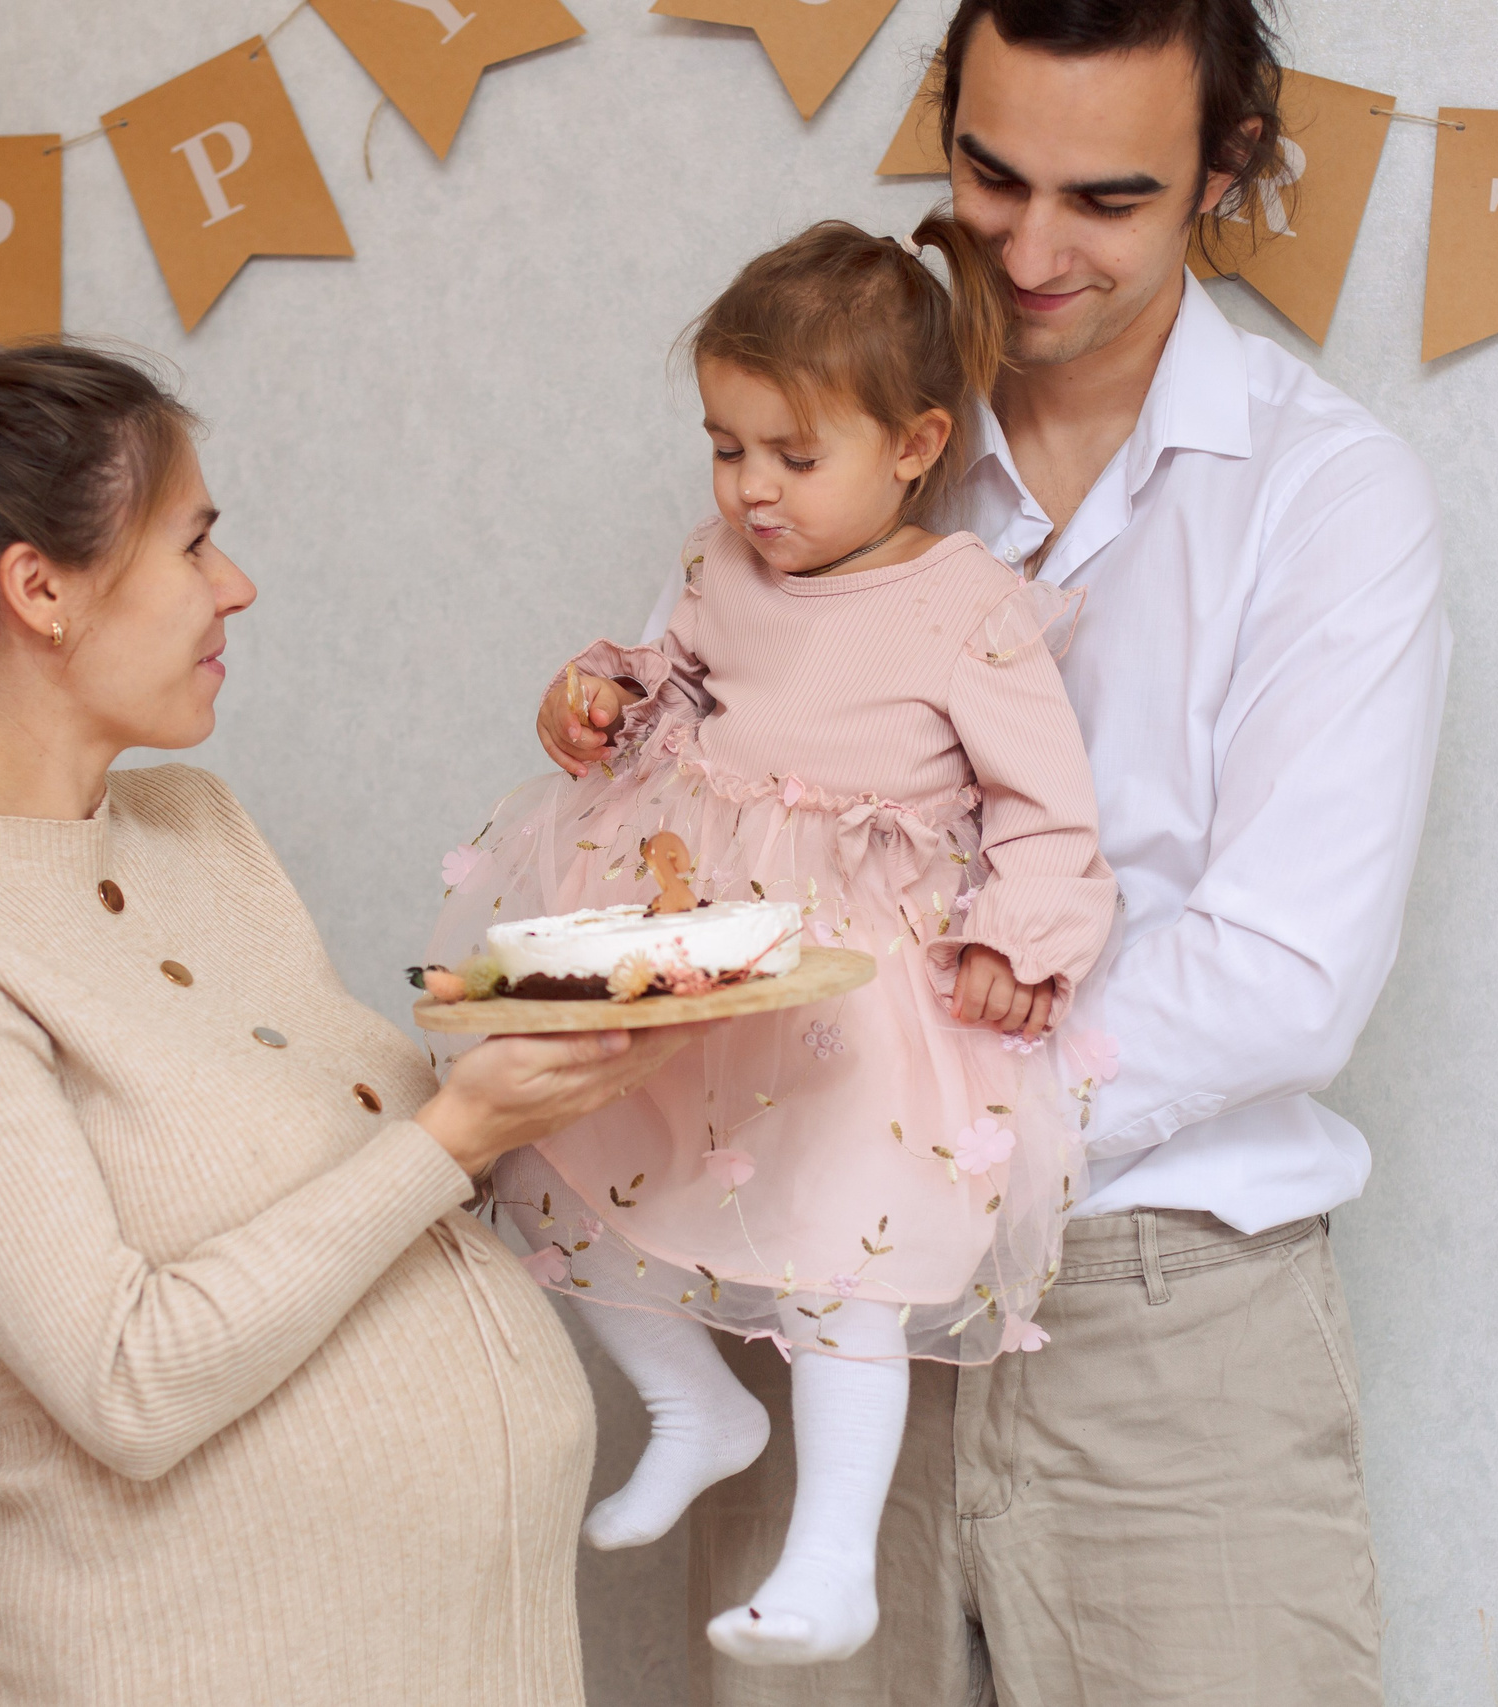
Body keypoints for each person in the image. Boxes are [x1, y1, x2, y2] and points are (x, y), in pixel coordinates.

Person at [604, 2, 1450, 1701]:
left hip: (1163, 1313)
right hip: (807, 1281)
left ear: (1227, 174)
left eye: (1109, 200)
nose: (1036, 251)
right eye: (990, 177)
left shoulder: (1328, 498)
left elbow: (1283, 981)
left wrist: (916, 1119)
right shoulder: (832, 434)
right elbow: (691, 793)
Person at [0, 342, 690, 1707]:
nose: (235, 585)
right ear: (41, 590)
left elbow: (357, 1202)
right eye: (195, 542)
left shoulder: (193, 828)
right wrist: (455, 1132)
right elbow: (128, 1381)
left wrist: (548, 1072)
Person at [439, 216, 1116, 1669]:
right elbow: (658, 680)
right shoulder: (718, 567)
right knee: (542, 1149)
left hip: (857, 996)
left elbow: (1050, 812)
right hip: (698, 941)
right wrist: (592, 696)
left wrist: (1019, 937)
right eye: (726, 447)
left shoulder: (966, 612)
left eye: (793, 458)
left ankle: (834, 1559)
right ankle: (698, 1404)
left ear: (917, 443)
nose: (752, 489)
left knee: (841, 1262)